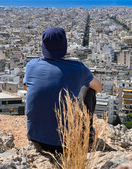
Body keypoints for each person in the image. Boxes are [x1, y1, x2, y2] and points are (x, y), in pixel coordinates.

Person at [23, 26, 102, 154]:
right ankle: (87, 133)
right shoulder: (78, 68)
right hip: (67, 142)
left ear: (42, 46)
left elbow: (27, 87)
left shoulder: (31, 65)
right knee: (89, 91)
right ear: (65, 45)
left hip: (35, 138)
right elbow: (98, 87)